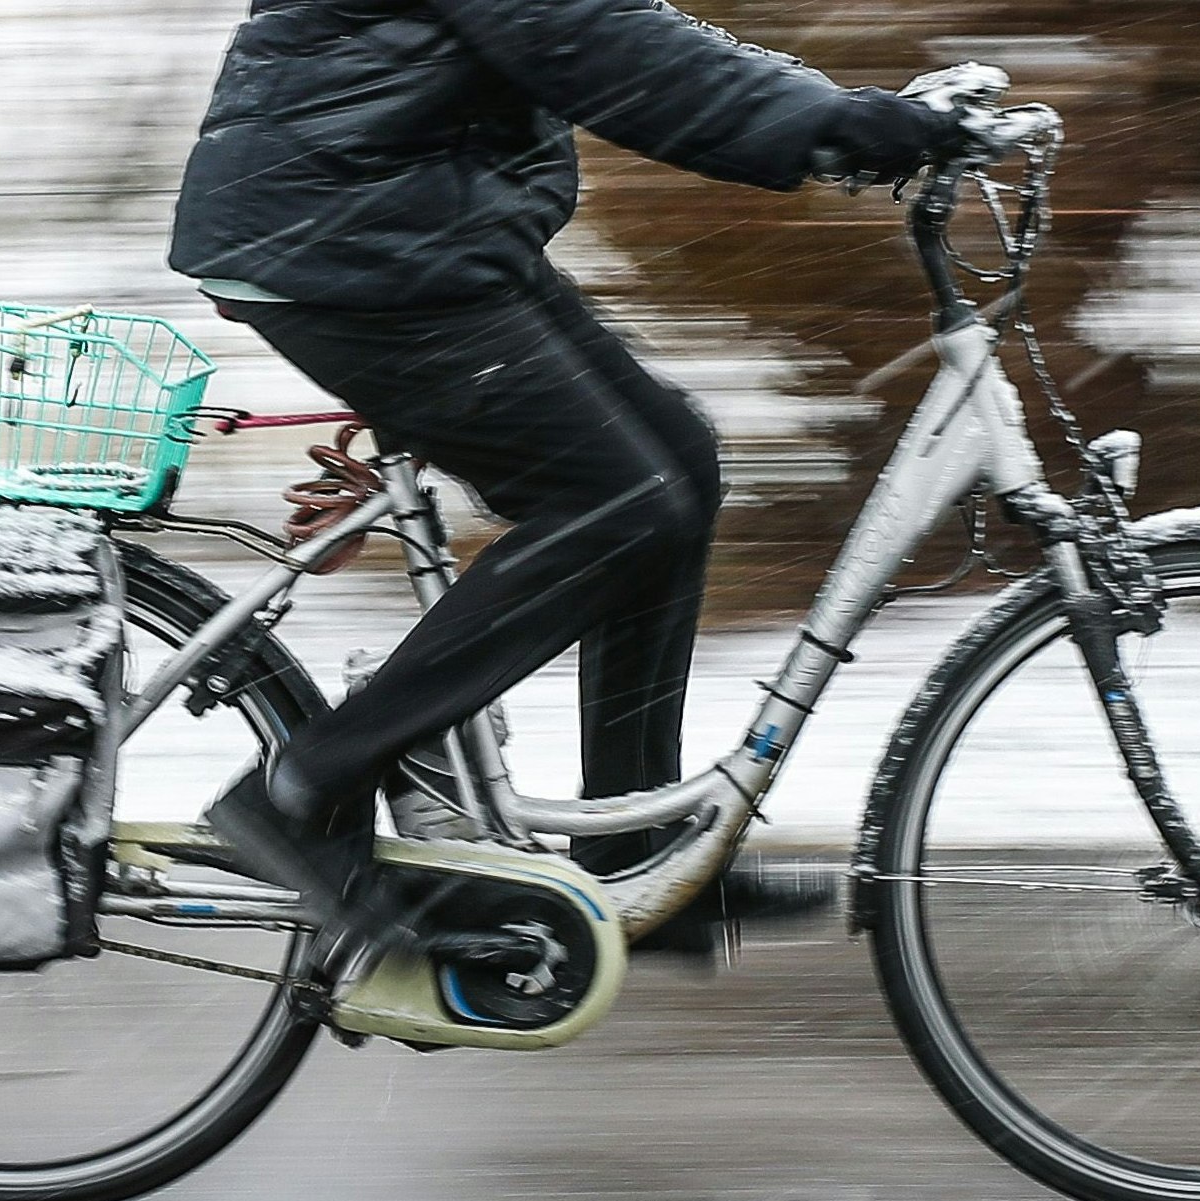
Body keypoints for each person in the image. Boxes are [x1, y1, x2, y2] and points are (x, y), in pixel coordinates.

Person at [168, 0, 977, 956]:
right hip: (344, 233)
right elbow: (600, 42)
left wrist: (832, 112)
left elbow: (629, 27)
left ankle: (637, 855)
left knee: (676, 459)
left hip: (403, 218)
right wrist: (831, 122)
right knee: (618, 500)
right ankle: (299, 793)